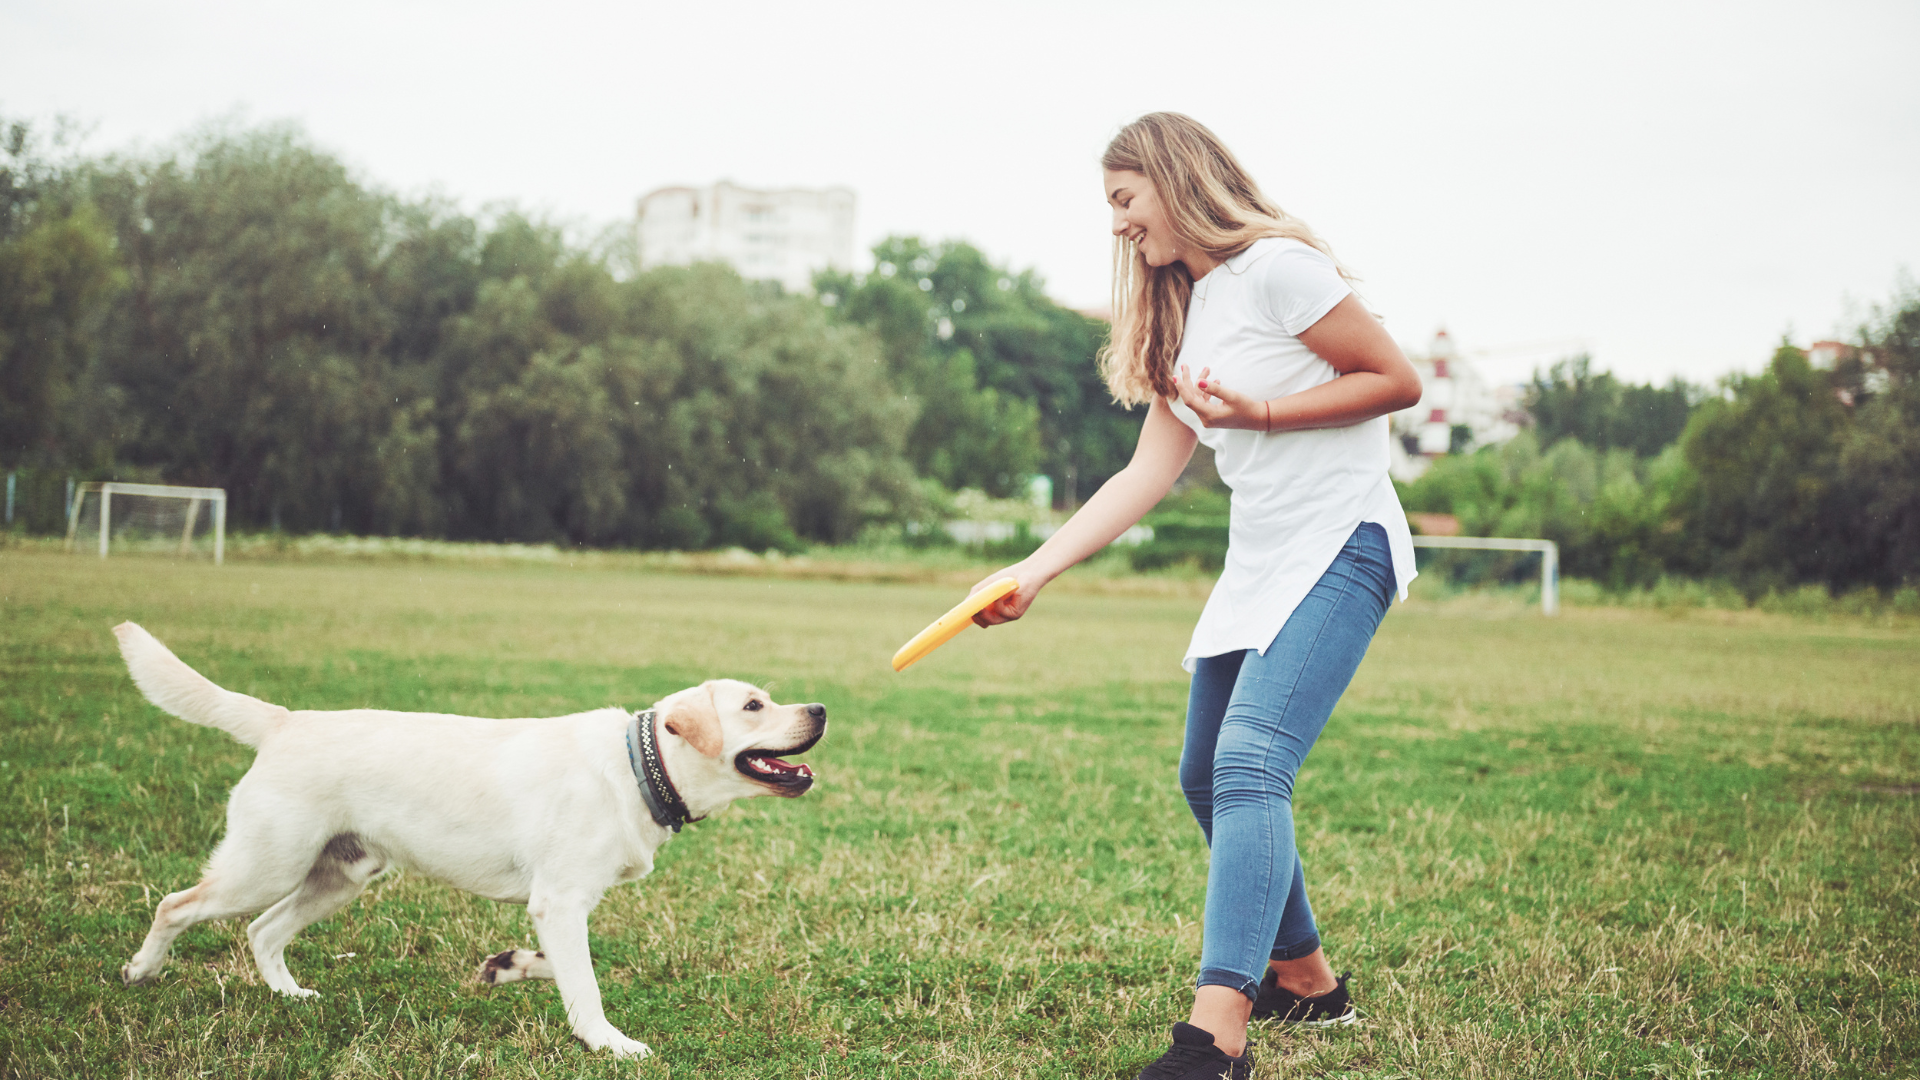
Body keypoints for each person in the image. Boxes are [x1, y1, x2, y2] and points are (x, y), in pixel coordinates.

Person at [969, 112, 1423, 1080]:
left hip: (1344, 540)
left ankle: (1216, 1034)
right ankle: (1306, 982)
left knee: (1251, 759)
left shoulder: (1277, 269)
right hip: (1258, 561)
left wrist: (1261, 410)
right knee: (1202, 775)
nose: (1119, 225)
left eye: (1125, 201)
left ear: (1177, 182)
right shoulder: (1181, 314)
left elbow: (1395, 378)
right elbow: (1144, 475)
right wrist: (1032, 571)